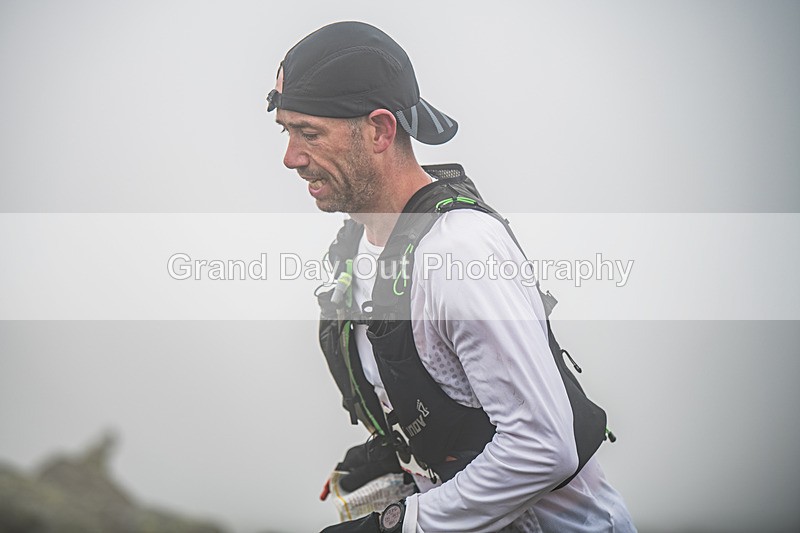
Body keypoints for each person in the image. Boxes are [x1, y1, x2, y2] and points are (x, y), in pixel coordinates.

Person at [267, 21, 636, 533]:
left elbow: (543, 446)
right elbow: (446, 398)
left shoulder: (458, 252)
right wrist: (393, 457)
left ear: (379, 130)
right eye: (286, 132)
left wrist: (396, 525)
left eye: (308, 133)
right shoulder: (355, 250)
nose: (290, 158)